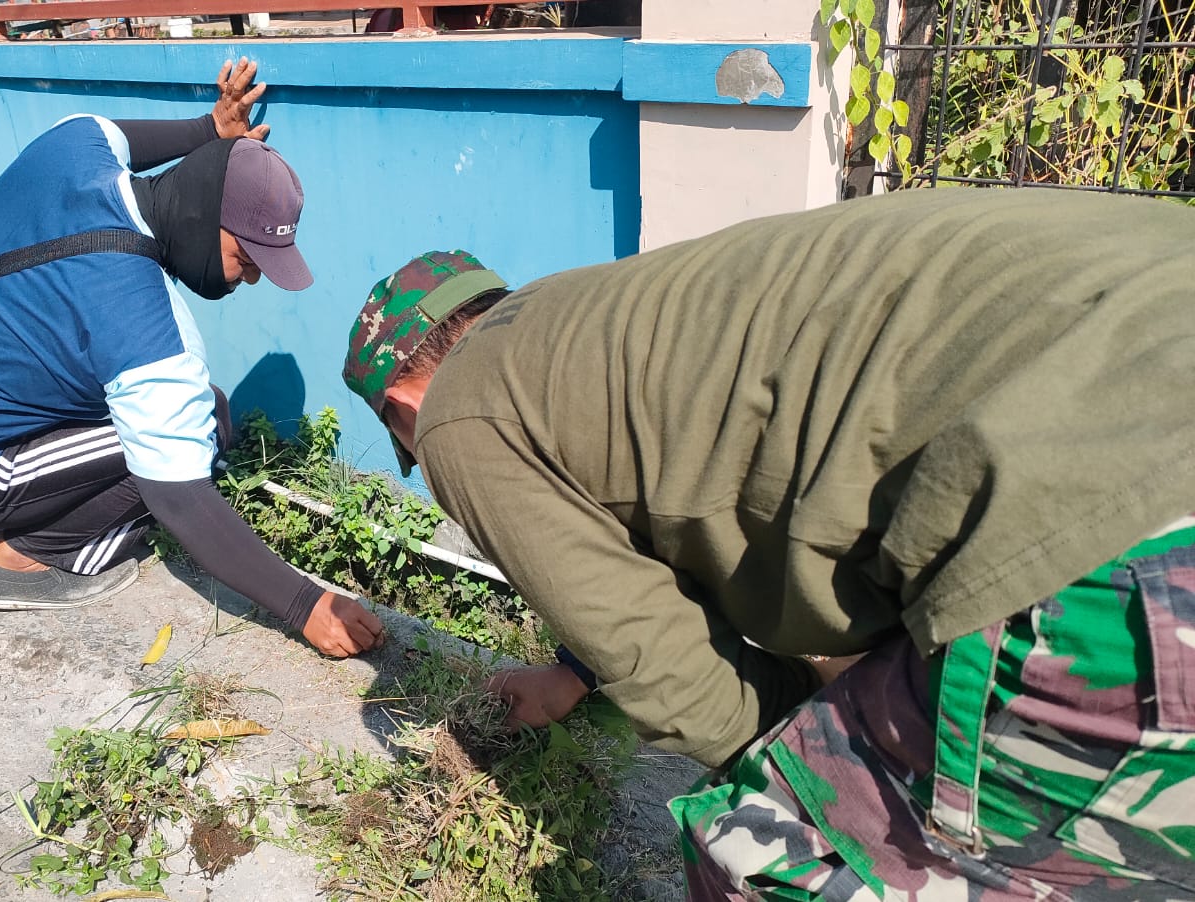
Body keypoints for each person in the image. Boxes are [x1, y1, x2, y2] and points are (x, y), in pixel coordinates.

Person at [341, 189, 1195, 898]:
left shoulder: (453, 415)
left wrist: (808, 737)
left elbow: (666, 669)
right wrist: (573, 673)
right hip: (1151, 334)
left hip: (1101, 524)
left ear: (403, 407)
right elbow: (652, 526)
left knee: (749, 851)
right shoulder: (583, 325)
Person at [0, 60, 386, 660]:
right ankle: (28, 558)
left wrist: (212, 129)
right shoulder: (144, 322)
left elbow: (127, 135)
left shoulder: (75, 147)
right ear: (202, 216)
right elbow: (179, 496)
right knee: (206, 421)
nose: (253, 277)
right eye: (248, 257)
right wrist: (304, 603)